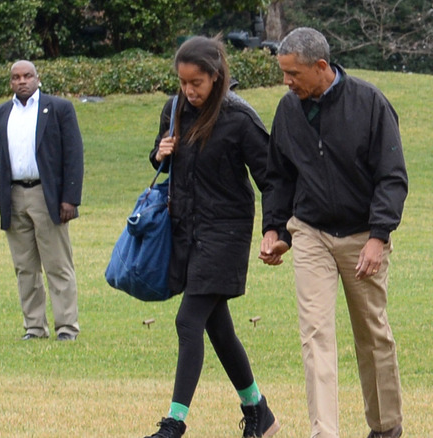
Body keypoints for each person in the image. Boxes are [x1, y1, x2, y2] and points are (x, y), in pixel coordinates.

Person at [259, 27, 408, 438]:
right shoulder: (289, 110)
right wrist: (275, 229)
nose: (286, 82)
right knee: (315, 334)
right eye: (283, 73)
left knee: (372, 333)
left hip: (364, 235)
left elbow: (392, 177)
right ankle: (325, 432)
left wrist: (379, 235)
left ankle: (385, 426)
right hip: (311, 232)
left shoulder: (369, 103)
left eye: (293, 74)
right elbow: (279, 177)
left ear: (321, 67)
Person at [143, 35, 280, 438]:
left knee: (188, 321)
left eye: (196, 83)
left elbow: (271, 178)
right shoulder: (174, 109)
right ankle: (259, 412)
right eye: (183, 83)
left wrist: (274, 228)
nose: (189, 91)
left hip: (227, 233)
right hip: (185, 230)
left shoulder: (239, 118)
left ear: (216, 77)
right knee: (217, 328)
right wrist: (160, 154)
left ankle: (174, 422)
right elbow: (162, 159)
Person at [0, 60, 84, 341]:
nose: (22, 81)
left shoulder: (59, 109)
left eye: (27, 76)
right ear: (10, 83)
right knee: (24, 267)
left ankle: (66, 326)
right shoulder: (0, 114)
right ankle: (34, 327)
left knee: (57, 264)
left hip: (47, 195)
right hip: (13, 196)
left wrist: (70, 199)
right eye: (16, 77)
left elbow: (73, 156)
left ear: (38, 78)